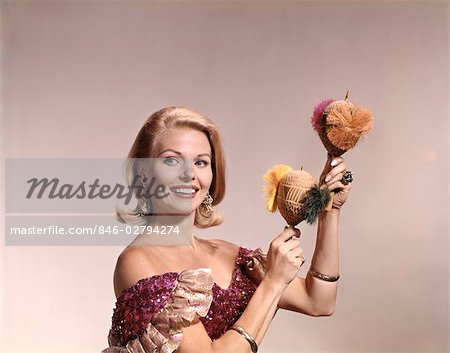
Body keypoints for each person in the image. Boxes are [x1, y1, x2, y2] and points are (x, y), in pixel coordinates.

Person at [102, 106, 352, 353]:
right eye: (172, 160)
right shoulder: (137, 262)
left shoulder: (227, 253)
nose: (189, 174)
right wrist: (273, 282)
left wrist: (330, 210)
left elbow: (318, 300)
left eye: (201, 162)